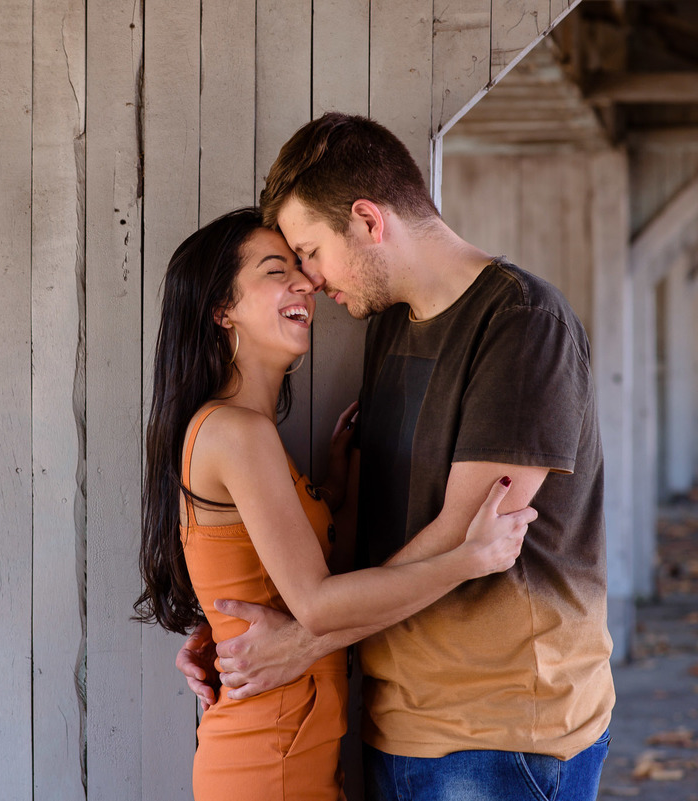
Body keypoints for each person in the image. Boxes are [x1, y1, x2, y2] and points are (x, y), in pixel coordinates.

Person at [177, 114, 616, 801]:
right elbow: (382, 539)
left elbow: (468, 535)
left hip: (503, 734)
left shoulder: (525, 322)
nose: (312, 281)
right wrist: (233, 631)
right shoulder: (388, 327)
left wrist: (300, 637)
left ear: (368, 220)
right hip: (394, 724)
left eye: (311, 251)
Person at [137, 207, 536, 800]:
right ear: (221, 311)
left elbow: (311, 583)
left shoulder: (251, 437)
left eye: (302, 265)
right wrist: (469, 558)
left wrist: (338, 498)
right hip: (267, 761)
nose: (306, 282)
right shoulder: (235, 434)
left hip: (295, 751)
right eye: (277, 271)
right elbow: (320, 607)